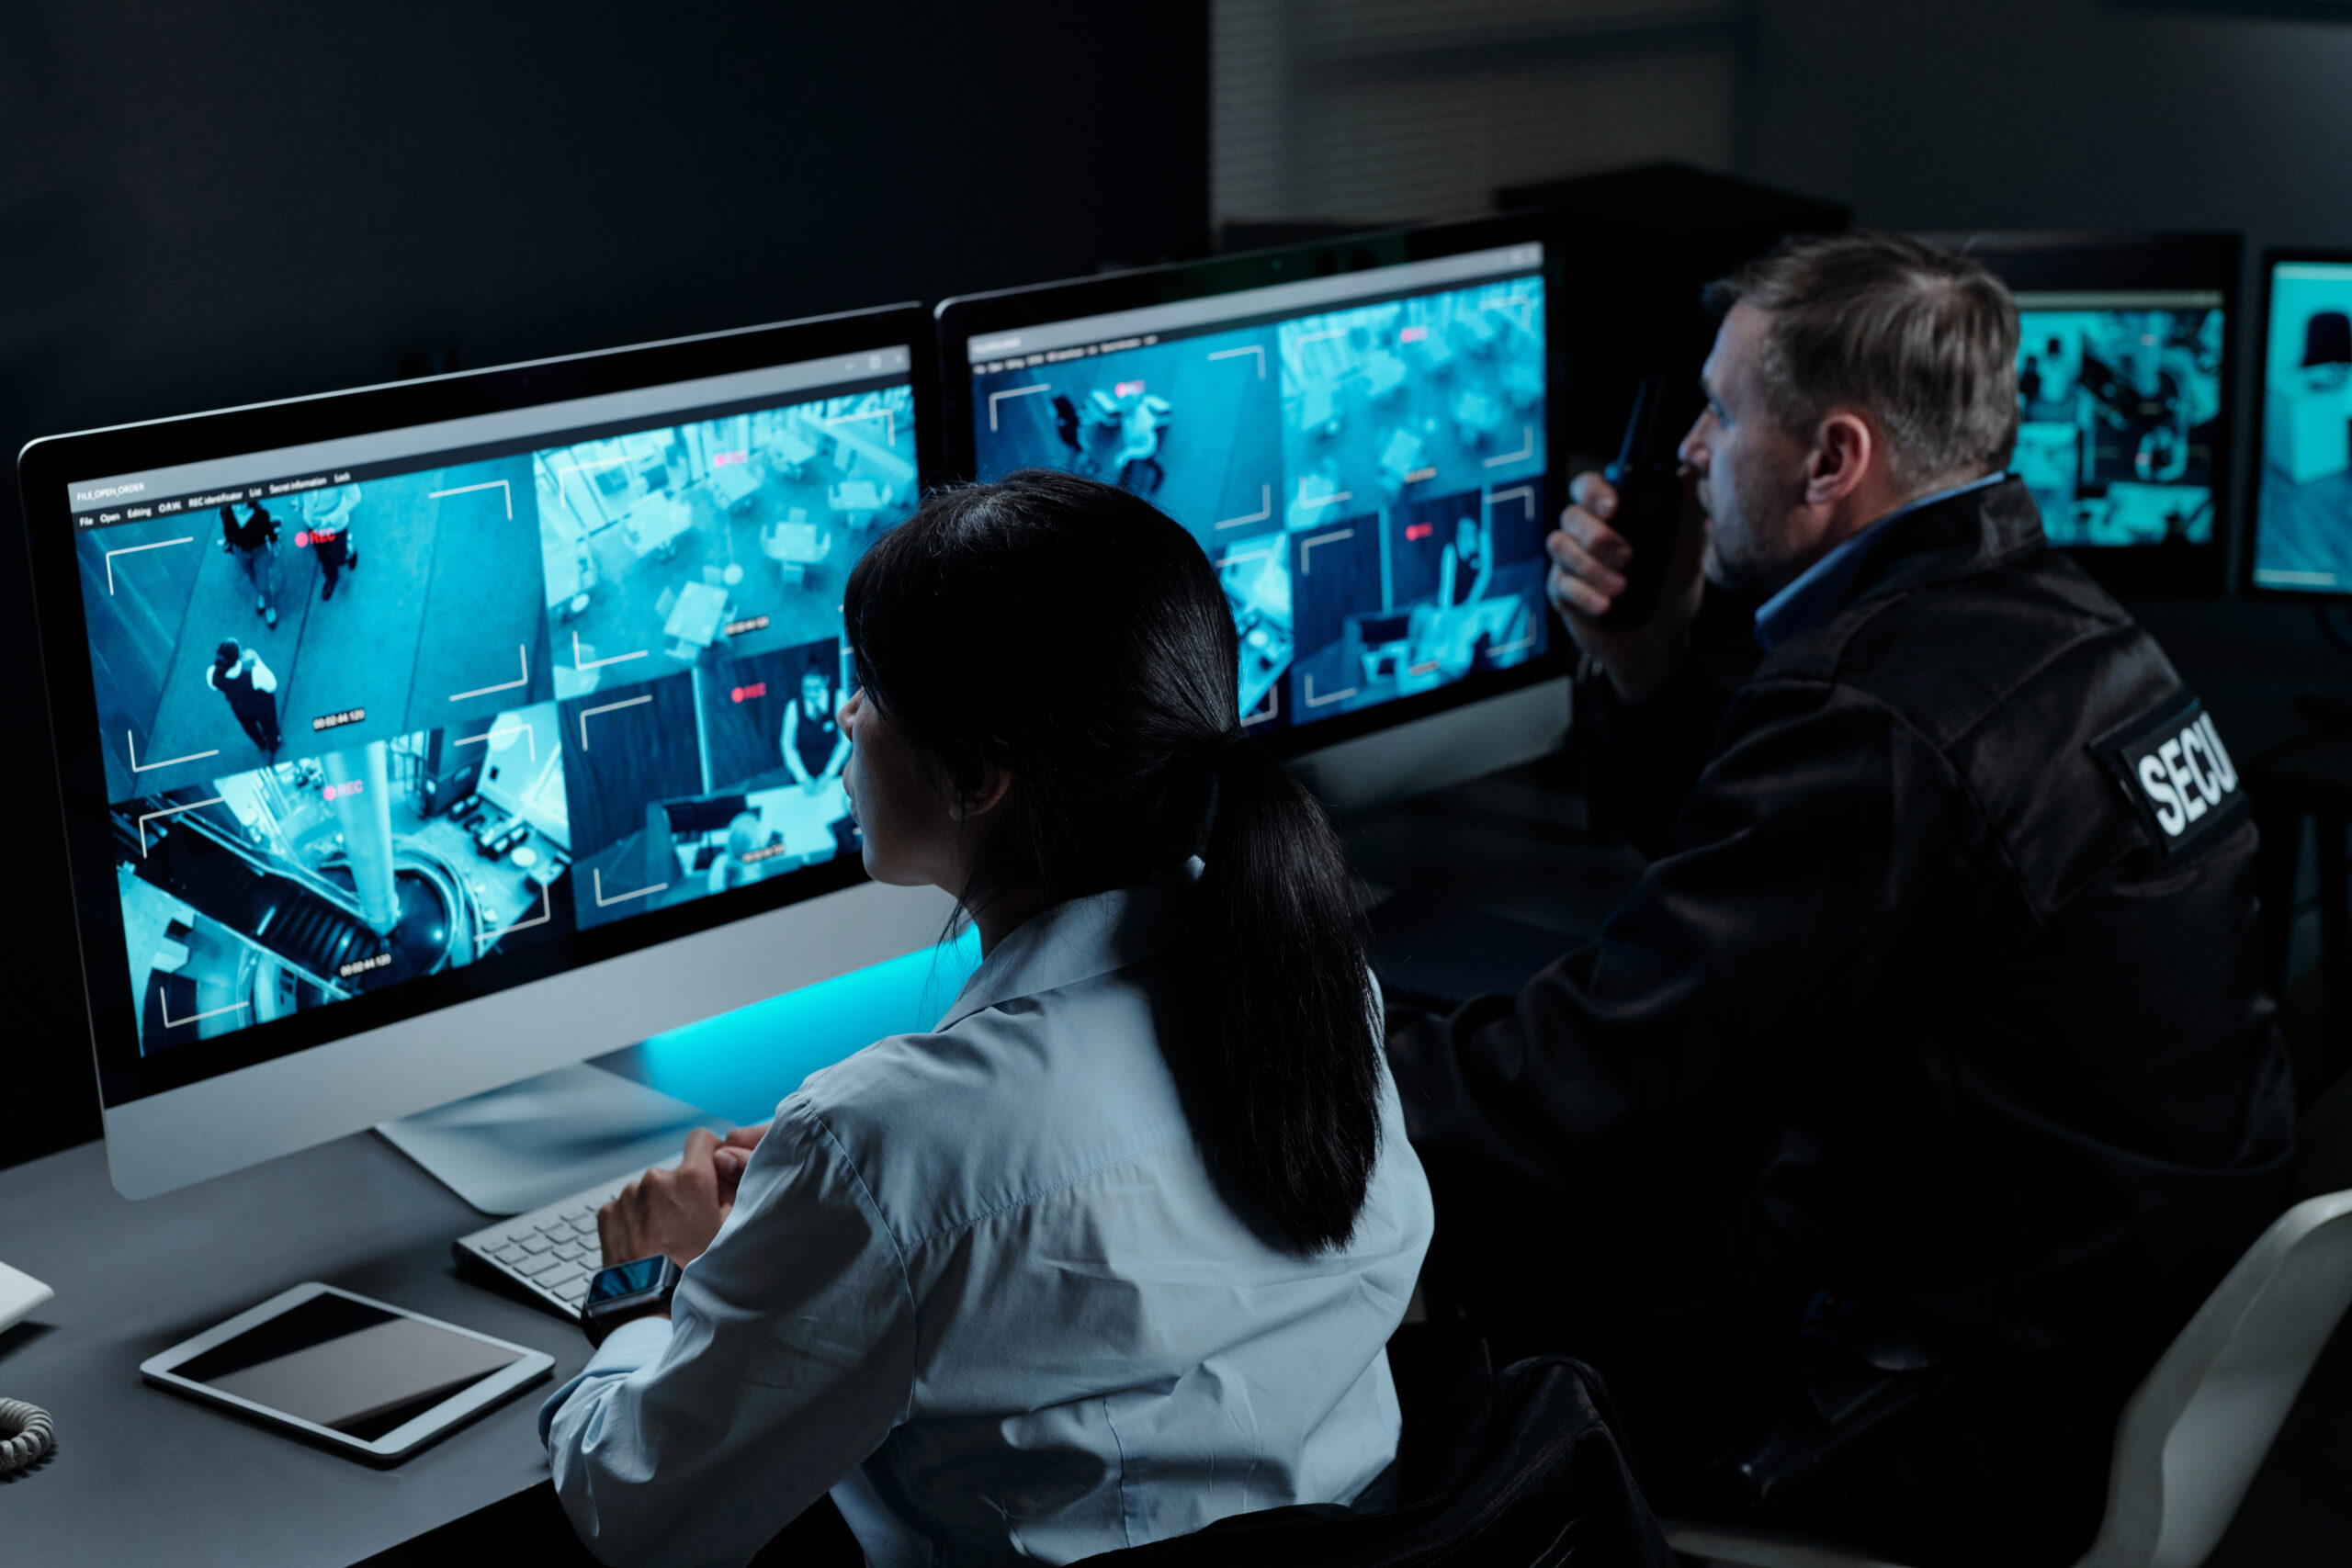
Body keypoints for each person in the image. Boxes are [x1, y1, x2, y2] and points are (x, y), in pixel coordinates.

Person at [1385, 233, 2294, 1565]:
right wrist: (1647, 664)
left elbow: (1595, 1072)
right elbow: (1812, 884)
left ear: (1832, 459)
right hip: (2100, 1334)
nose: (1689, 450)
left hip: (1950, 1416)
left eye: (1721, 410)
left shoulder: (1870, 703)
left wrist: (1311, 1074)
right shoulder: (2059, 625)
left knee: (1452, 1339)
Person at [542, 470, 1434, 1567]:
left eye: (870, 688)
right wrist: (824, 1212)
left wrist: (648, 1284)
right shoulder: (1310, 983)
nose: (846, 716)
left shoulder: (886, 1138)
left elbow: (635, 1510)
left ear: (975, 775)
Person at [778, 665, 849, 795]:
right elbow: (787, 745)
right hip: (803, 779)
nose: (811, 694)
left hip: (834, 777)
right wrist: (802, 777)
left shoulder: (839, 698)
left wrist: (829, 774)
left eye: (816, 688)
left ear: (825, 681)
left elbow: (844, 741)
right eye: (807, 689)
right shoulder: (793, 707)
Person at [205, 638, 280, 754]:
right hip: (261, 706)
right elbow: (272, 685)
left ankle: (261, 743)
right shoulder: (253, 673)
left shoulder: (211, 674)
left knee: (249, 727)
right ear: (239, 656)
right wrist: (256, 659)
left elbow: (214, 687)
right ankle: (273, 744)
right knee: (269, 725)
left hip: (239, 707)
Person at [219, 500, 280, 628]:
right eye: (234, 504)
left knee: (264, 583)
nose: (237, 507)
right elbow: (227, 530)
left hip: (260, 551)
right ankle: (262, 595)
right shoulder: (226, 511)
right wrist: (229, 544)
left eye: (241, 503)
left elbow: (269, 532)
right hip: (241, 551)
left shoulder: (260, 514)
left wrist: (274, 543)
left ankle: (269, 607)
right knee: (252, 576)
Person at [300, 484, 361, 600]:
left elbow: (355, 497)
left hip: (336, 526)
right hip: (313, 524)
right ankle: (331, 578)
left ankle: (350, 549)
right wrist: (300, 503)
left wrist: (330, 518)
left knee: (339, 558)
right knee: (322, 556)